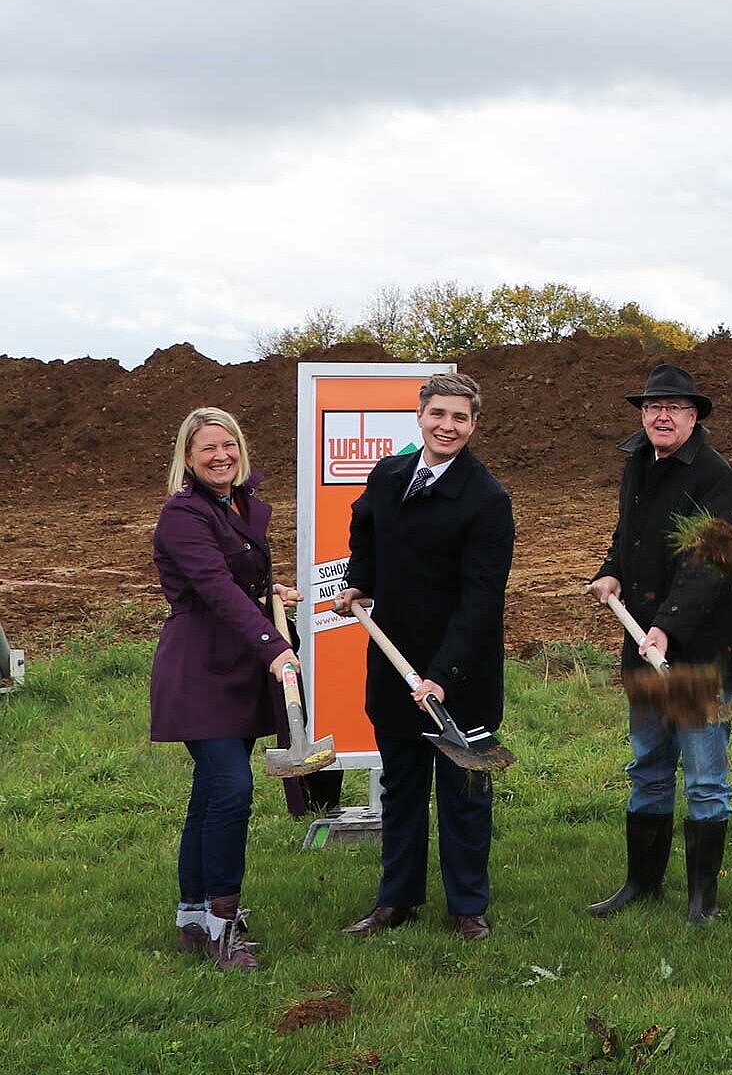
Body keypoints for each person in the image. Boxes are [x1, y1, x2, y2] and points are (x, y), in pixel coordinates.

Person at [340, 372, 517, 941]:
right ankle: (397, 899)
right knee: (402, 787)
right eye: (438, 414)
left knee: (465, 789)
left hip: (461, 672)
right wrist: (359, 582)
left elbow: (482, 598)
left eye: (460, 418)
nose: (447, 426)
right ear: (419, 417)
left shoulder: (487, 499)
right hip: (394, 663)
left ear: (474, 425)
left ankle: (468, 907)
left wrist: (443, 676)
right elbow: (363, 528)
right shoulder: (389, 475)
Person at [585, 364, 732, 924]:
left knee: (707, 778)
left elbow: (715, 561)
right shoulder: (637, 462)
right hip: (646, 643)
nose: (662, 415)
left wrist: (668, 624)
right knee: (648, 765)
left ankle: (702, 903)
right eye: (654, 406)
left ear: (694, 418)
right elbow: (626, 534)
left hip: (703, 652)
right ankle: (642, 883)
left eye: (676, 408)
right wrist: (612, 570)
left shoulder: (713, 475)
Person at [149, 407, 300, 970]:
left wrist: (271, 595)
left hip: (236, 665)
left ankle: (192, 917)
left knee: (212, 793)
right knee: (233, 790)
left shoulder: (241, 506)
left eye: (229, 445)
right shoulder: (183, 515)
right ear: (188, 459)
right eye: (208, 448)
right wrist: (274, 645)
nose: (221, 456)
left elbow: (238, 581)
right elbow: (213, 587)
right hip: (199, 672)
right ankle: (223, 924)